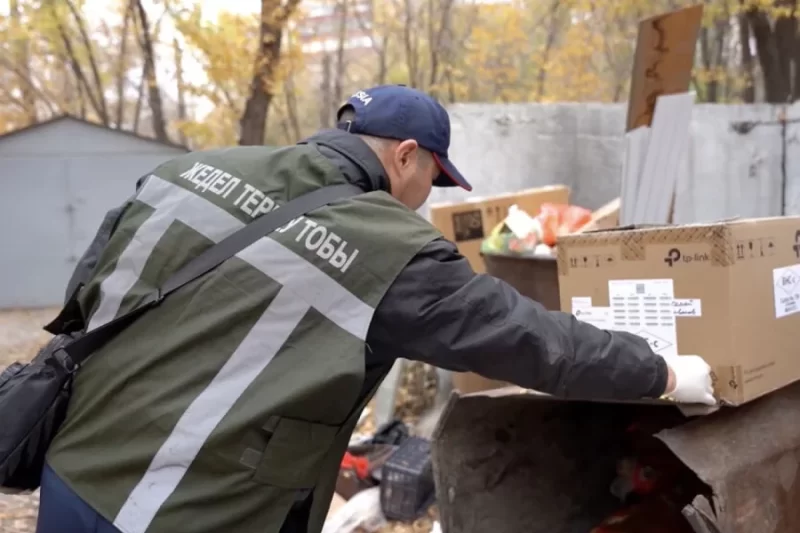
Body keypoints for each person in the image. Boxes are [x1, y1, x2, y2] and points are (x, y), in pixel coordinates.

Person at [37, 85, 714, 533]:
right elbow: (530, 339)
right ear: (407, 156)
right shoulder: (385, 244)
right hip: (189, 511)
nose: (426, 199)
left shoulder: (190, 171)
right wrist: (661, 372)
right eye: (434, 181)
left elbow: (90, 292)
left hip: (74, 470)